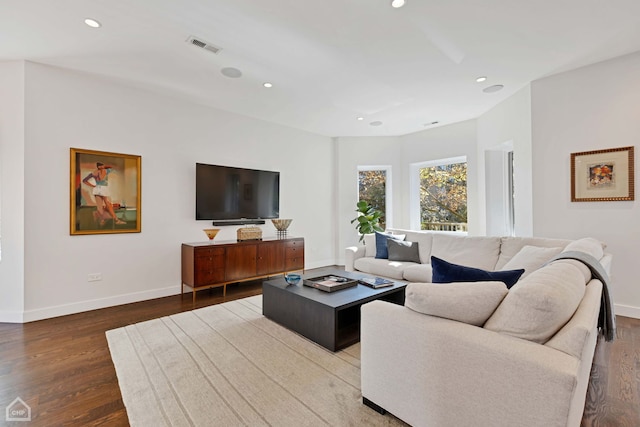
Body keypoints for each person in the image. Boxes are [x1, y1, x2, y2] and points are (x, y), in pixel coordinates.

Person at [82, 162, 126, 226]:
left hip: (97, 189)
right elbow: (112, 168)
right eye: (102, 165)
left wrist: (92, 185)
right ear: (101, 166)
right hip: (103, 188)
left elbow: (84, 180)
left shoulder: (94, 172)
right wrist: (106, 167)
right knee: (108, 205)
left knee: (100, 206)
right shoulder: (106, 171)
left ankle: (102, 220)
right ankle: (116, 220)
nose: (103, 166)